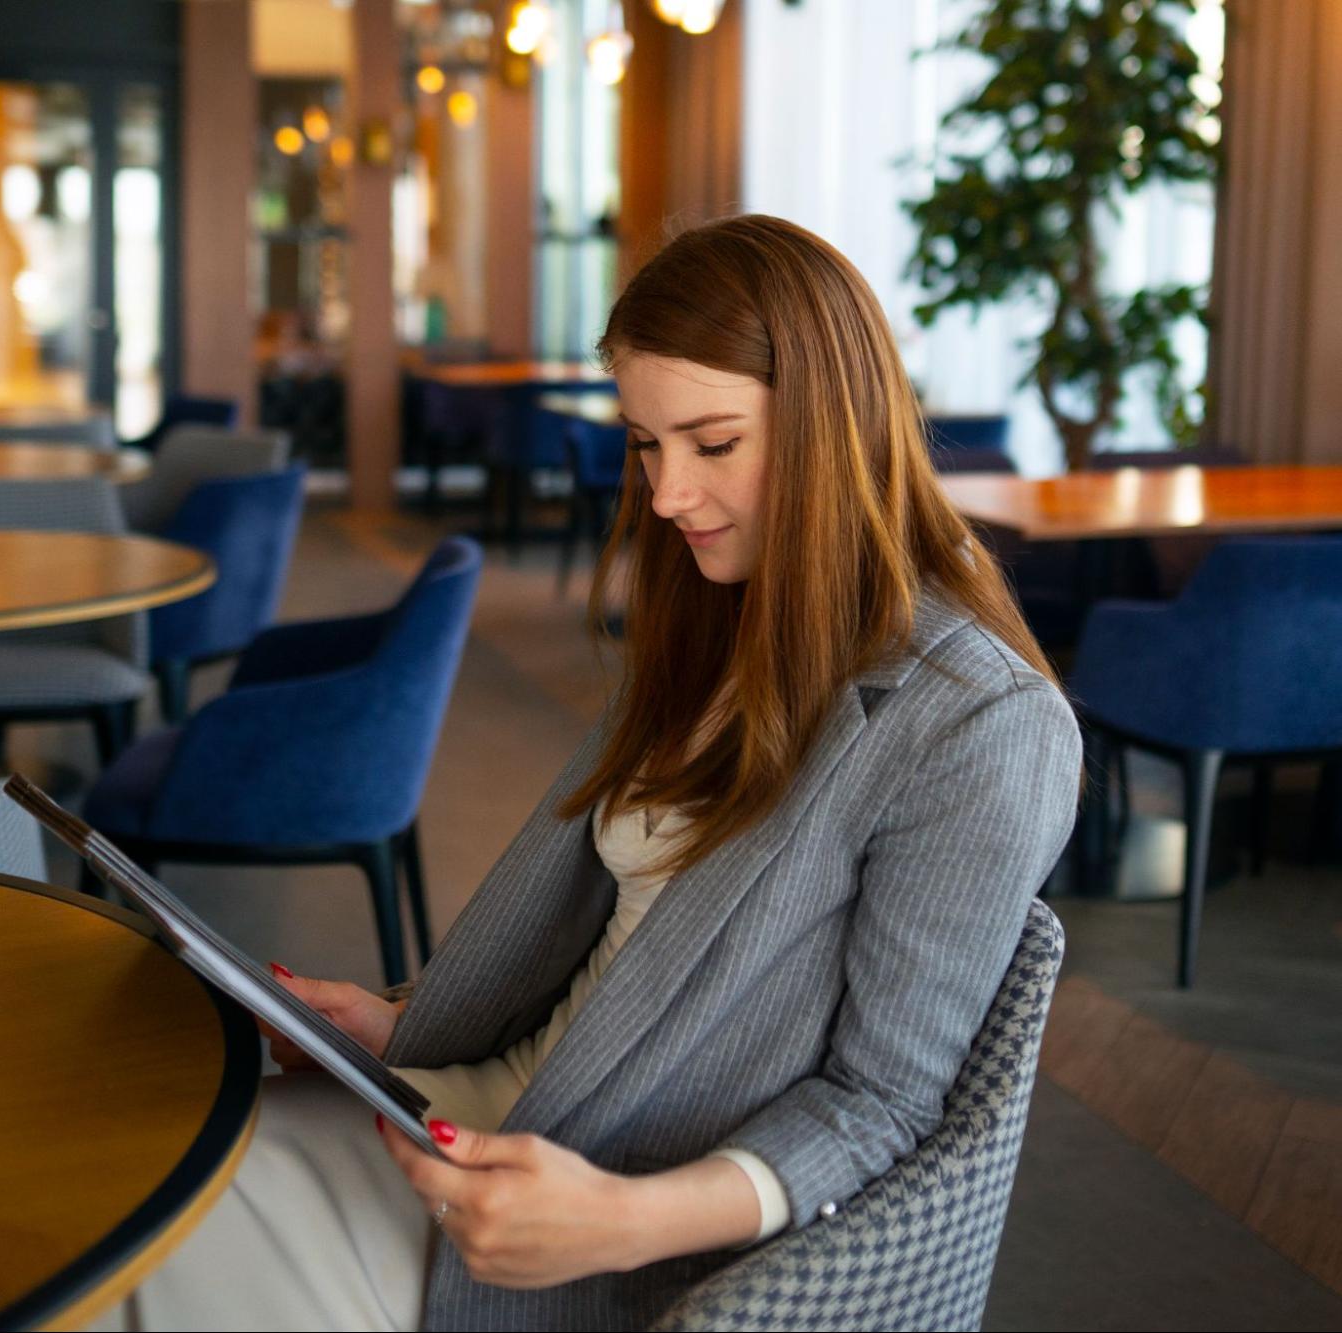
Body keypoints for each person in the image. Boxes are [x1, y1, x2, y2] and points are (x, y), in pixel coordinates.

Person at [98, 215, 1082, 1331]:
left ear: (835, 427)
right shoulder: (723, 624)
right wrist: (389, 1025)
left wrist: (621, 1219)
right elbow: (612, 949)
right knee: (126, 1176)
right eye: (646, 444)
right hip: (486, 1118)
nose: (664, 496)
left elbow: (884, 1105)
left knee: (140, 1245)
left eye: (713, 445)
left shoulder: (977, 726)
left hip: (616, 1209)